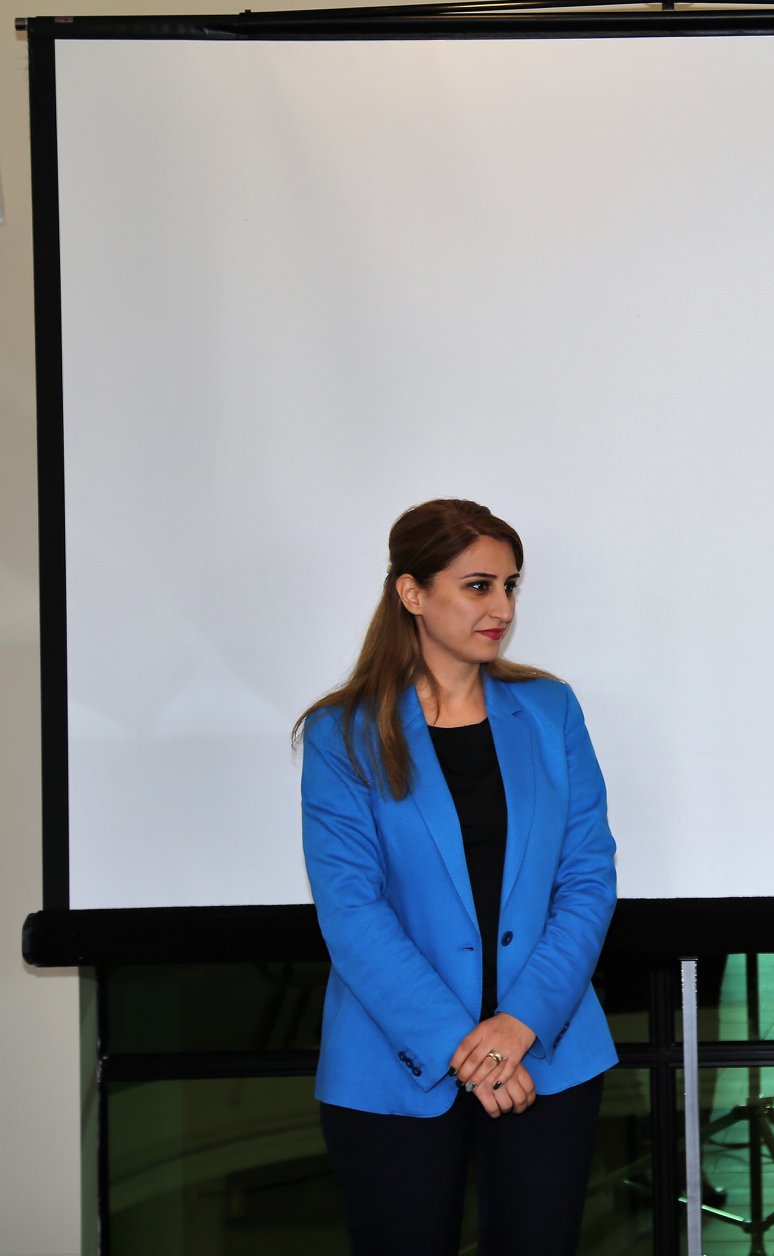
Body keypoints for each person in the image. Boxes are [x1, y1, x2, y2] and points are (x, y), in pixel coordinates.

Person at [297, 499, 618, 1254]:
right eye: (478, 586)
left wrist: (519, 1023)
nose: (501, 608)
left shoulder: (550, 710)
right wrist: (464, 1048)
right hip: (390, 1068)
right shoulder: (342, 734)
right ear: (412, 592)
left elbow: (587, 878)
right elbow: (352, 911)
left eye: (510, 586)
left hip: (548, 1057)